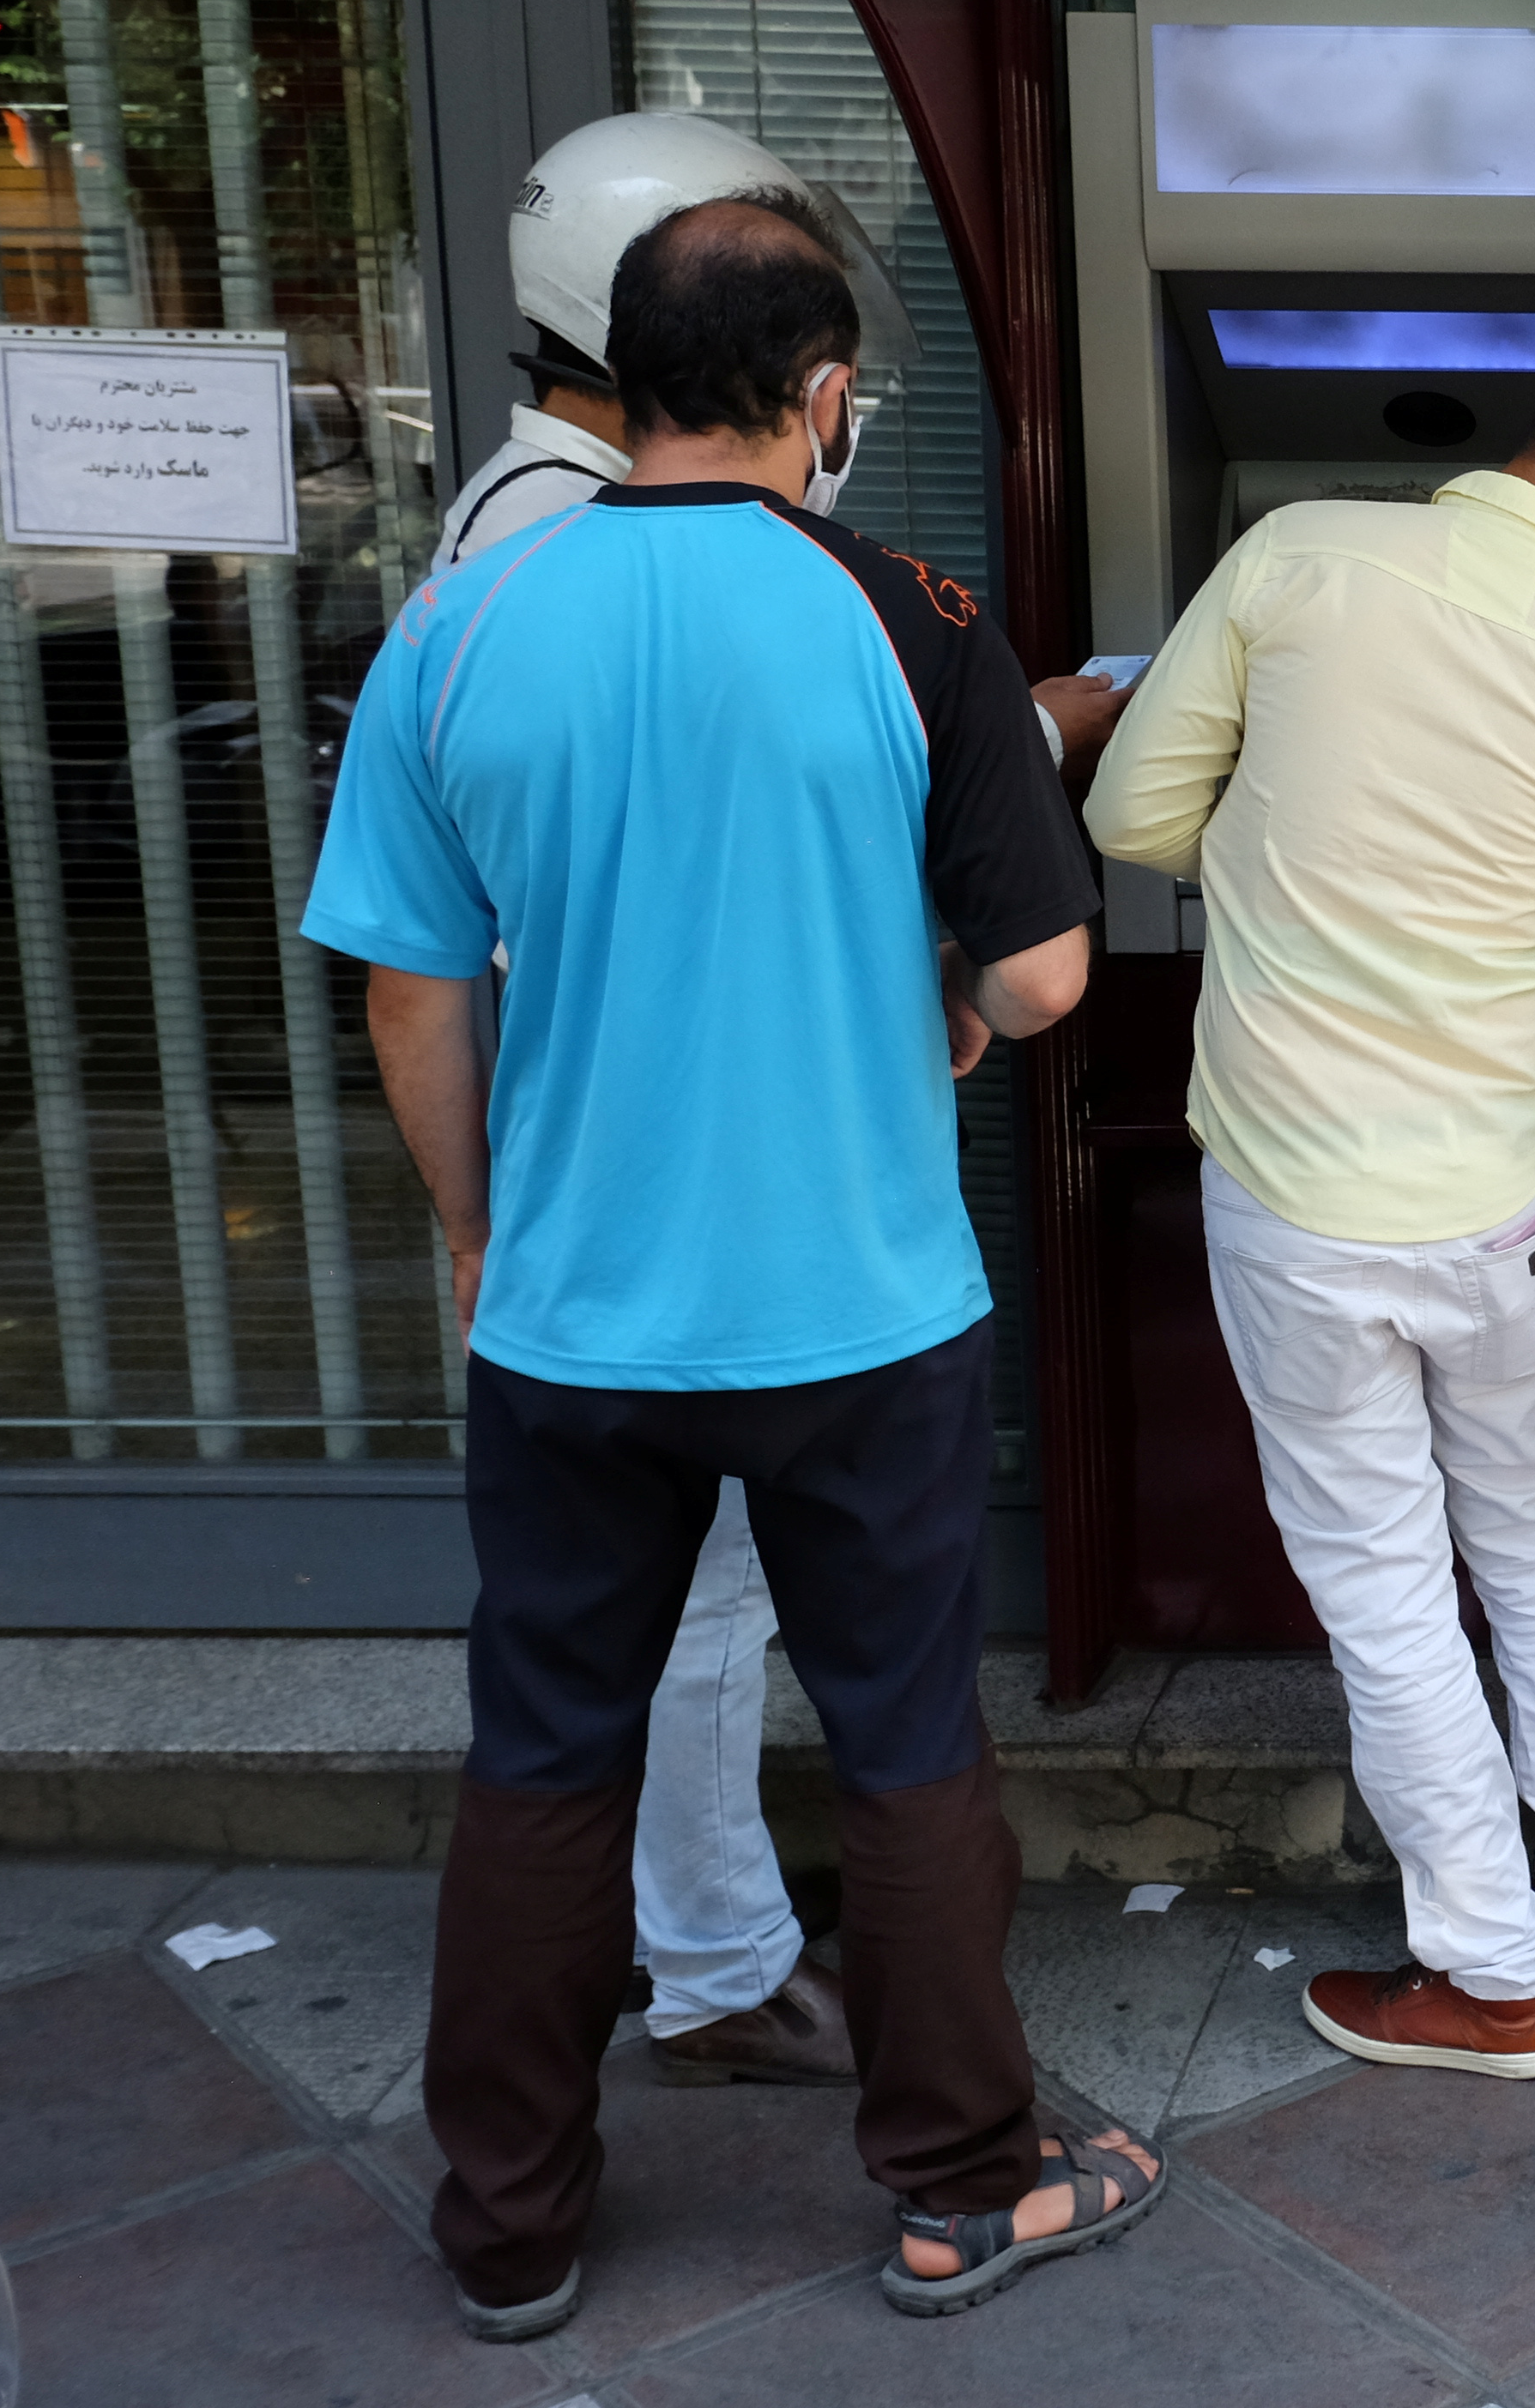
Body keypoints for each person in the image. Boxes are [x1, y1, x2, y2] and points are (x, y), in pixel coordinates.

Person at [307, 193, 1148, 2339]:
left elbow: (408, 992)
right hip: (860, 1311)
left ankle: (507, 2223)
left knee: (545, 1750)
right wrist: (950, 992)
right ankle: (962, 2181)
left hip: (575, 1318)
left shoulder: (463, 624)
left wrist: (487, 1225)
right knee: (902, 1741)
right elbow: (1049, 976)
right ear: (825, 395)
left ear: (613, 373)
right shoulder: (913, 618)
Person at [1085, 307, 1535, 2083]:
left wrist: (1274, 827)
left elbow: (1138, 820)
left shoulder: (1297, 551)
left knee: (1388, 1585)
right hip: (1506, 1198)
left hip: (1309, 1201)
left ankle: (1490, 1971)